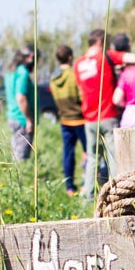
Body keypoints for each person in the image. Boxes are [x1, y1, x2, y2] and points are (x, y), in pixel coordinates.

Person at [75, 29, 135, 198]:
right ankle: (119, 194)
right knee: (114, 157)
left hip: (89, 118)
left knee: (92, 158)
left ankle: (88, 195)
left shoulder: (78, 63)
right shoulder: (107, 56)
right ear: (101, 42)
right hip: (108, 115)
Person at [50, 45, 85, 195]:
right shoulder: (73, 75)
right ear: (70, 57)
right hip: (80, 120)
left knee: (68, 154)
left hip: (65, 120)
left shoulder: (53, 78)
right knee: (89, 152)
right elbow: (81, 96)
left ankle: (69, 187)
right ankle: (87, 184)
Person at [4, 46, 35, 162]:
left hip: (13, 116)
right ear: (30, 57)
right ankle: (20, 178)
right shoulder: (23, 73)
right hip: (21, 118)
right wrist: (28, 119)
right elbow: (21, 97)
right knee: (21, 156)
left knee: (16, 151)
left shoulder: (12, 71)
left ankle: (15, 177)